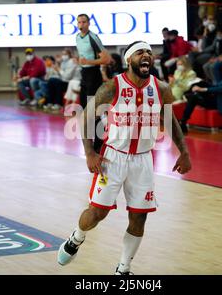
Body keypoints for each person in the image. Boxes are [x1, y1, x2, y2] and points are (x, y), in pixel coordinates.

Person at [57, 41, 192, 274]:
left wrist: (184, 151)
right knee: (98, 213)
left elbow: (170, 120)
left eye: (149, 52)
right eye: (140, 52)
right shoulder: (112, 87)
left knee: (139, 218)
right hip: (113, 158)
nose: (146, 55)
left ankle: (123, 269)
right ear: (129, 60)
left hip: (143, 161)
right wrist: (90, 153)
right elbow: (87, 118)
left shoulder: (161, 88)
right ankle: (76, 238)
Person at [179, 54, 222, 134]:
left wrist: (204, 89)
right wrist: (202, 84)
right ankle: (188, 95)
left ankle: (183, 121)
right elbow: (218, 86)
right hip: (217, 97)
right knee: (200, 83)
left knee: (194, 97)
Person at [75, 14, 111, 109]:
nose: (81, 24)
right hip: (84, 73)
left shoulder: (93, 37)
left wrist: (88, 61)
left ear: (88, 24)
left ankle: (95, 123)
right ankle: (86, 123)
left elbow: (106, 59)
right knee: (83, 103)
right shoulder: (77, 37)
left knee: (92, 105)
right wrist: (80, 60)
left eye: (84, 22)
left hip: (93, 74)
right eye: (79, 22)